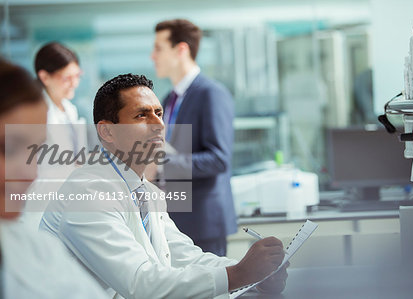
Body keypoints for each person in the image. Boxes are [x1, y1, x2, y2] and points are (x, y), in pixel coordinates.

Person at [40, 73, 288, 298]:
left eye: (158, 113)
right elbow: (140, 283)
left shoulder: (147, 192)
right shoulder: (87, 194)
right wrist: (239, 274)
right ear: (106, 132)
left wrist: (255, 277)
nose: (158, 125)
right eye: (141, 115)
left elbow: (183, 257)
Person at [0, 59, 108, 298]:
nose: (30, 174)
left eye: (36, 150)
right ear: (45, 77)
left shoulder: (38, 250)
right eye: (7, 149)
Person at [151, 19, 236, 256]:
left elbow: (219, 159)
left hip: (203, 222)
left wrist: (160, 164)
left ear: (181, 50)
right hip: (176, 220)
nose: (152, 56)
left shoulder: (211, 94)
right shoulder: (169, 99)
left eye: (158, 48)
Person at [23, 42, 87, 229]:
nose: (74, 83)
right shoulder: (34, 113)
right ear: (44, 77)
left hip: (66, 206)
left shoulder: (70, 110)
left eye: (77, 76)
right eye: (67, 78)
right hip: (39, 209)